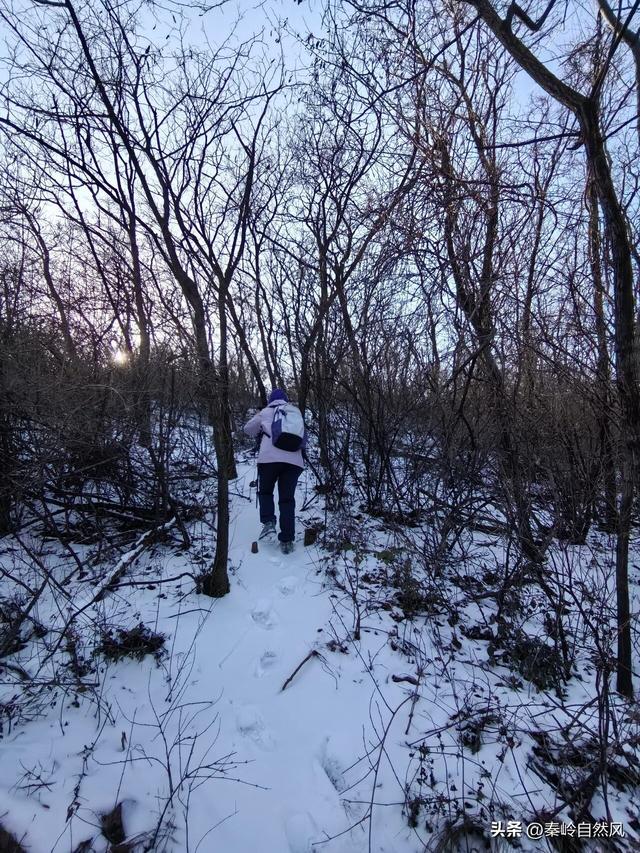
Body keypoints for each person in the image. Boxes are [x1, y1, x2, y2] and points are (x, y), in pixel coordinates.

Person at [243, 389, 304, 554]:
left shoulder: (265, 411)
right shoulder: (295, 412)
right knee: (287, 500)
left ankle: (269, 522)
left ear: (271, 400)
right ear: (285, 399)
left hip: (269, 460)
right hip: (294, 462)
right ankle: (287, 540)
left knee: (265, 492)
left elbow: (248, 429)